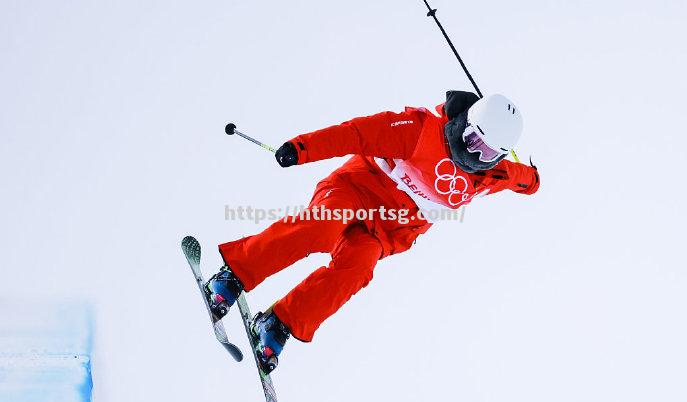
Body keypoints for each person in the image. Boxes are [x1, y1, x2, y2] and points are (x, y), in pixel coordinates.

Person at [205, 91, 540, 373]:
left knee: (358, 268)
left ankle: (278, 324)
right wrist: (301, 148)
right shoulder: (419, 130)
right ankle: (234, 274)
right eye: (471, 140)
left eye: (486, 153)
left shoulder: (489, 175)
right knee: (323, 226)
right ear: (464, 123)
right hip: (354, 190)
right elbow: (357, 133)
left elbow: (520, 177)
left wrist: (534, 181)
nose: (472, 155)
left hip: (383, 232)